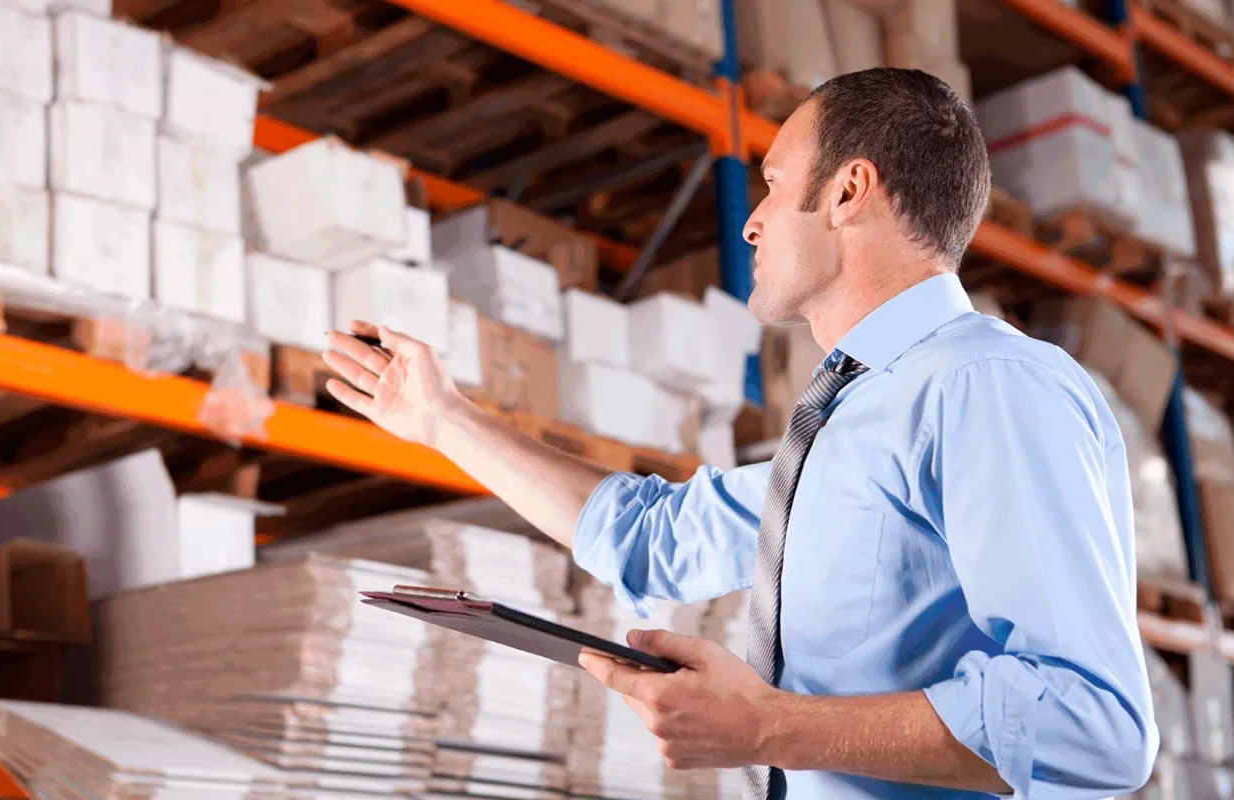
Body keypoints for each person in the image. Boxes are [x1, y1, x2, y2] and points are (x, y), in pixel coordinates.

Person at [321, 67, 1156, 800]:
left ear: (848, 191)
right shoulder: (847, 427)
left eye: (773, 184)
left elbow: (1095, 722)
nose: (752, 223)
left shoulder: (985, 384)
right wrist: (444, 419)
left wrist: (766, 727)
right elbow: (651, 537)